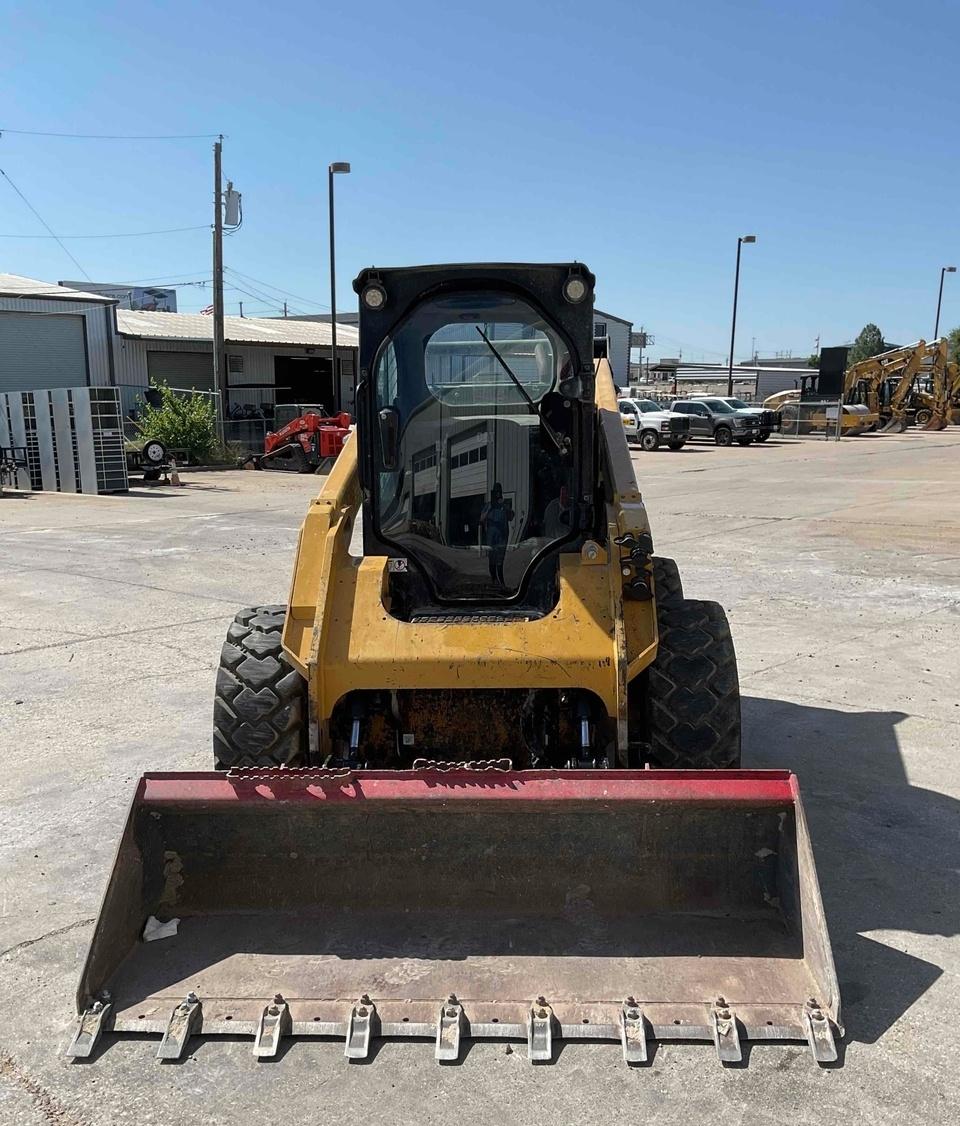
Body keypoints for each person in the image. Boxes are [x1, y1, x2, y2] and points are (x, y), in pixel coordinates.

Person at [480, 483, 513, 589]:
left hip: (502, 536)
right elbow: (481, 519)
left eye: (499, 493)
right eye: (496, 493)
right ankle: (494, 580)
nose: (498, 495)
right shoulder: (488, 505)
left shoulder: (504, 506)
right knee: (492, 559)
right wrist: (490, 508)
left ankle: (501, 581)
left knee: (500, 560)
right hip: (491, 536)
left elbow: (511, 516)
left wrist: (505, 507)